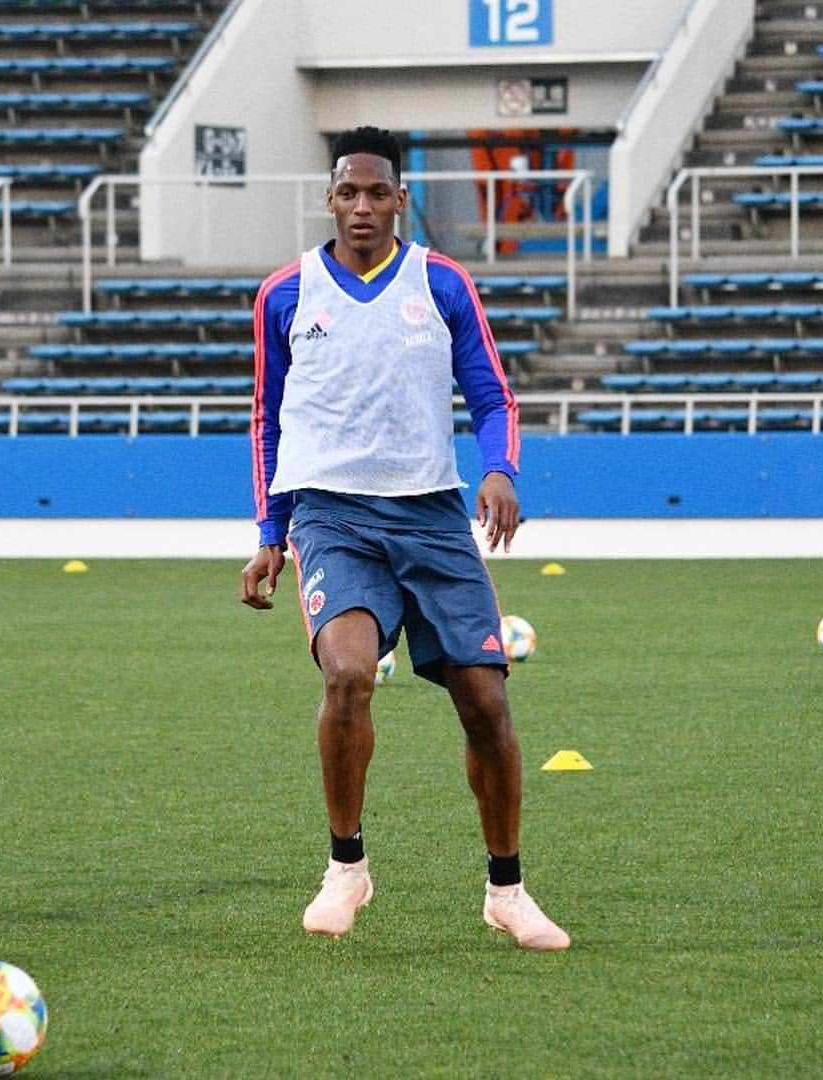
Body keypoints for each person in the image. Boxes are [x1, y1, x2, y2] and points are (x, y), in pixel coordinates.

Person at [240, 126, 569, 951]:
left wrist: (500, 472)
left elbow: (493, 395)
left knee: (487, 704)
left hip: (430, 513)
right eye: (347, 192)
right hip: (331, 516)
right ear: (329, 198)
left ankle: (506, 890)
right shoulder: (285, 294)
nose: (361, 206)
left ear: (399, 199)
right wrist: (270, 533)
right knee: (349, 673)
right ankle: (347, 868)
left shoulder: (442, 283)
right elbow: (265, 417)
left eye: (376, 193)